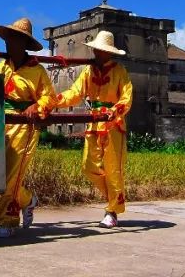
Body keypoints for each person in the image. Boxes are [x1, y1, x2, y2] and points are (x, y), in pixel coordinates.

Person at [50, 31, 132, 228]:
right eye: (96, 49)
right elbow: (75, 93)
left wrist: (115, 110)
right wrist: (54, 101)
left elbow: (127, 97)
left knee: (114, 169)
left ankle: (112, 211)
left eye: (101, 50)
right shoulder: (88, 71)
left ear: (108, 52)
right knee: (89, 166)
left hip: (113, 124)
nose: (97, 53)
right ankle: (115, 198)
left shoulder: (119, 71)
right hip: (93, 122)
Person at [0, 18, 54, 237]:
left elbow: (49, 98)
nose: (10, 44)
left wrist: (36, 107)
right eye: (8, 39)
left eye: (15, 39)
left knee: (12, 175)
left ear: (24, 43)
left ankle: (7, 221)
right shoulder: (0, 67)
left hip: (24, 127)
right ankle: (28, 200)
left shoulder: (37, 71)